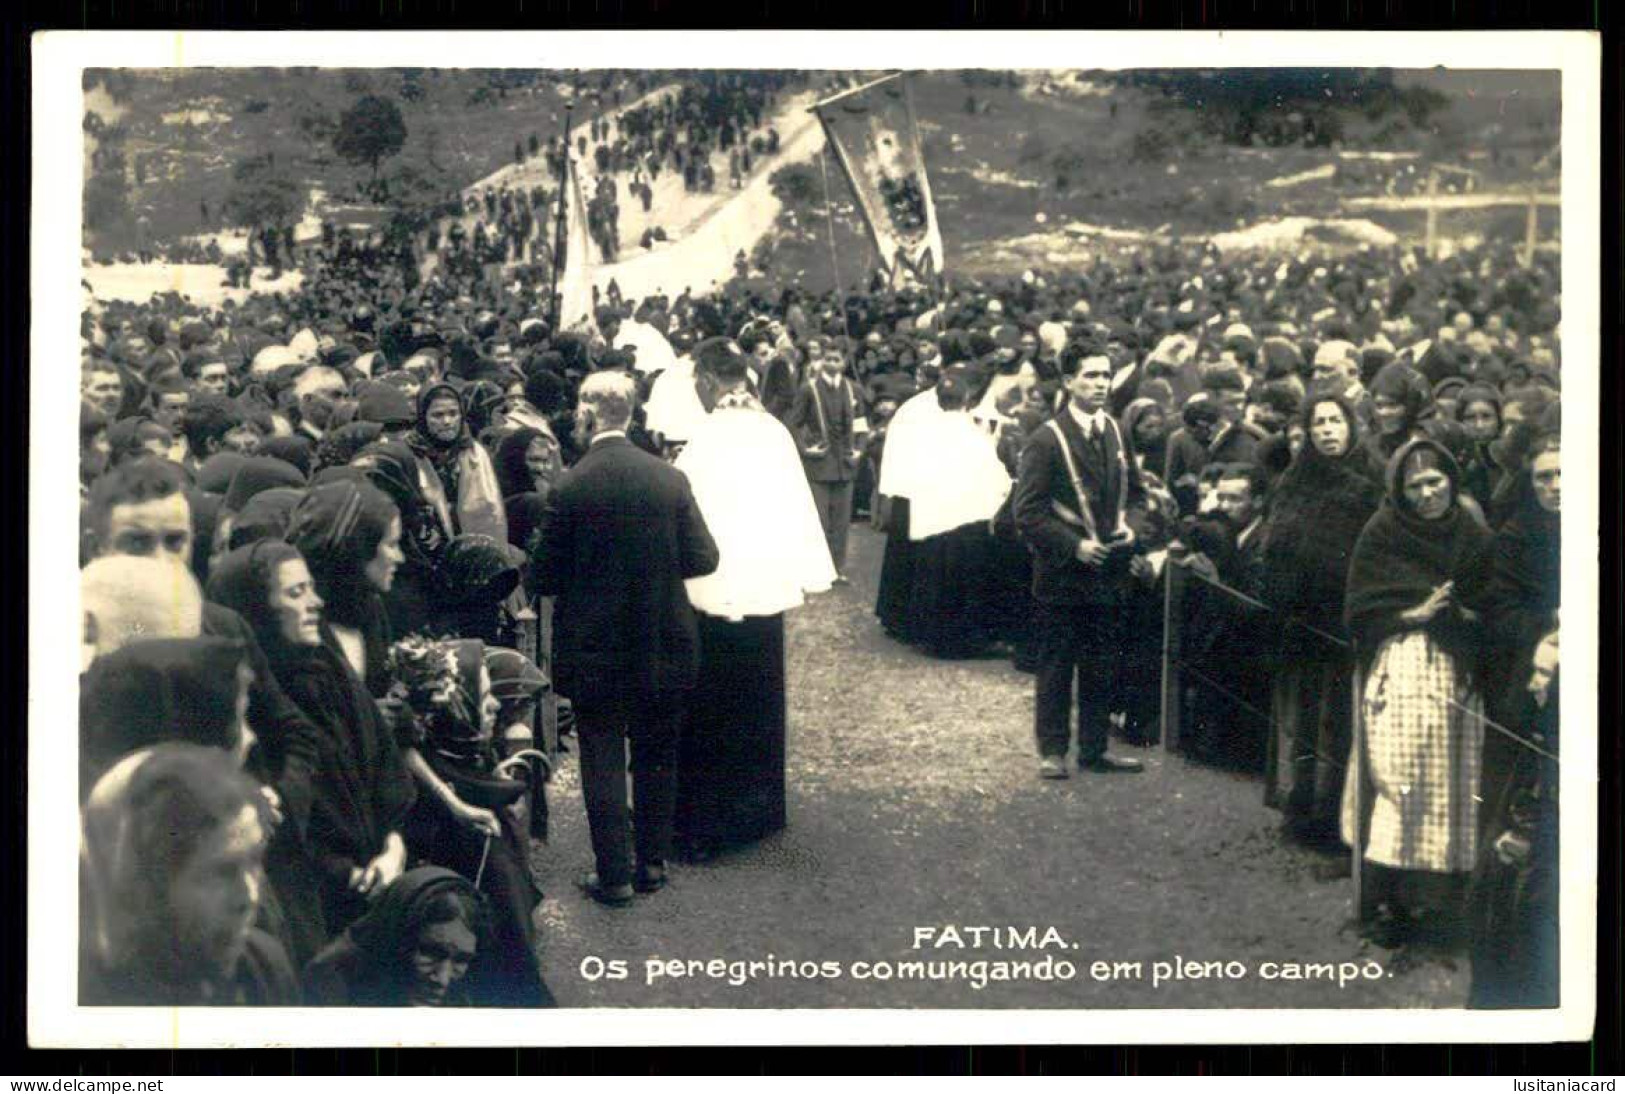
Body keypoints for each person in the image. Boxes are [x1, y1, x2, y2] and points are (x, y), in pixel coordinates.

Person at [533, 371, 720, 906]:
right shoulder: (668, 479)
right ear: (632, 415)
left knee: (602, 754)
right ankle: (652, 864)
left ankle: (613, 874)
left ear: (587, 414)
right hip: (663, 639)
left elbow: (543, 577)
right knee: (657, 752)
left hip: (594, 647)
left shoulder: (570, 485)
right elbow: (704, 559)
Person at [672, 338, 834, 861]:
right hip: (762, 586)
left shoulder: (704, 438)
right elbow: (796, 508)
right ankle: (760, 810)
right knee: (759, 693)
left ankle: (710, 821)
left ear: (709, 381)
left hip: (714, 591)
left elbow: (687, 518)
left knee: (711, 703)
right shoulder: (773, 433)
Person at [208, 539, 416, 942]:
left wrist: (393, 848)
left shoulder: (330, 673)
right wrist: (352, 875)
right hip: (319, 906)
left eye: (311, 588)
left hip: (382, 874)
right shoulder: (253, 708)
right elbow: (285, 829)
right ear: (257, 609)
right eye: (295, 593)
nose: (315, 602)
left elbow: (384, 774)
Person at [1342, 437, 1491, 948]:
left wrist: (1465, 615)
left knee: (1453, 786)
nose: (1427, 494)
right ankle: (1392, 903)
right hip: (1403, 667)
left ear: (1451, 480)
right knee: (1400, 781)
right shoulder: (1382, 533)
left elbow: (1490, 596)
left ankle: (1443, 906)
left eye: (1435, 482)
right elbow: (1361, 611)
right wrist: (1414, 614)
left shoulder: (1470, 529)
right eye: (1415, 486)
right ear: (1400, 493)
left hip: (1460, 673)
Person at [388, 636, 554, 1006]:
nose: (495, 703)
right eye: (483, 694)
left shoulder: (450, 776)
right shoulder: (475, 826)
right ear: (456, 709)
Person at [1259, 391, 1383, 857]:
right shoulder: (1296, 480)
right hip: (1299, 621)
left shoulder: (1371, 481)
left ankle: (1335, 821)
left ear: (1351, 425)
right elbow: (1276, 542)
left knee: (1340, 723)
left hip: (1342, 623)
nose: (1328, 431)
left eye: (1336, 422)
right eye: (1319, 424)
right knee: (1303, 718)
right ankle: (1300, 806)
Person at [81, 744, 299, 1006]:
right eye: (222, 872)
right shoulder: (100, 999)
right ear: (153, 883)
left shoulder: (262, 968)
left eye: (254, 861)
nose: (249, 896)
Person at [1013, 354, 1146, 779]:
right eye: (1090, 376)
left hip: (1109, 569)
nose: (1101, 384)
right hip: (1063, 574)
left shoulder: (1116, 430)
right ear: (1069, 382)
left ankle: (1095, 748)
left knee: (1101, 661)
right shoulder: (1046, 439)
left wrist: (1131, 527)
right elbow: (1028, 512)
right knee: (1056, 664)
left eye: (1106, 375)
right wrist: (1074, 546)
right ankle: (1053, 751)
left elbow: (1138, 495)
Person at [1465, 431, 1560, 1007]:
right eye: (1544, 477)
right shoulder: (1514, 541)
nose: (1556, 486)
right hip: (1526, 700)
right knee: (1513, 829)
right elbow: (1498, 613)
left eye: (1564, 473)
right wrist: (1546, 627)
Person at [303, 867, 491, 1007]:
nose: (442, 979)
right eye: (429, 953)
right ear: (394, 936)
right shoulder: (331, 983)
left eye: (461, 961)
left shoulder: (460, 997)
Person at [786, 341, 865, 583]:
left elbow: (862, 424)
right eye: (827, 358)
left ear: (844, 362)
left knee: (841, 522)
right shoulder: (809, 389)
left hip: (845, 465)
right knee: (819, 519)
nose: (831, 363)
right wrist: (806, 447)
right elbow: (793, 423)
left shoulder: (853, 389)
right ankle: (816, 569)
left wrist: (860, 450)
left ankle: (836, 569)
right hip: (819, 465)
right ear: (820, 362)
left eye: (836, 359)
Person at [407, 382, 509, 545]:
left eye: (453, 413)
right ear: (423, 417)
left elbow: (490, 511)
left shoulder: (474, 452)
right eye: (437, 415)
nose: (447, 421)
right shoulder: (410, 454)